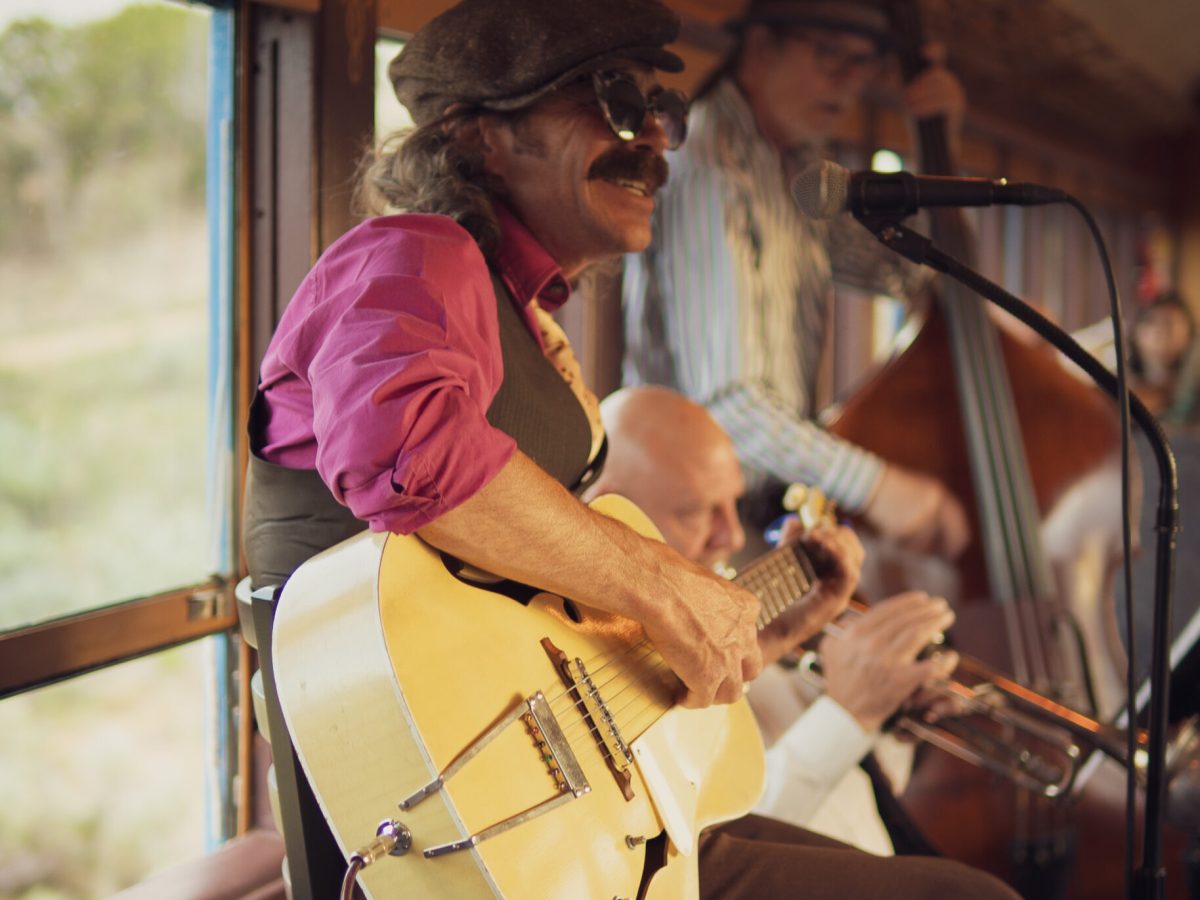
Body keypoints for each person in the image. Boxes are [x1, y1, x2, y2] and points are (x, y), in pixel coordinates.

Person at [243, 1, 1017, 896]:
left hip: (577, 811)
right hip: (448, 826)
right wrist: (664, 586)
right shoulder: (413, 254)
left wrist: (763, 616)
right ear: (480, 136)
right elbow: (401, 453)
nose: (655, 138)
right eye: (611, 101)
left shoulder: (528, 324)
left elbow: (541, 623)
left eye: (663, 110)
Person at [623, 0, 971, 562]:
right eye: (830, 55)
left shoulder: (798, 164)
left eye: (863, 65)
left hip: (748, 510)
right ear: (761, 47)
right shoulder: (716, 163)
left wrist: (939, 143)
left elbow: (902, 272)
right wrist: (878, 487)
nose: (848, 82)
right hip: (683, 523)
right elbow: (729, 403)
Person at [587, 385, 958, 856]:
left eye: (734, 504)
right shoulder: (614, 676)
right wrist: (848, 713)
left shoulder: (744, 621)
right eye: (697, 511)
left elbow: (847, 806)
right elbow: (725, 846)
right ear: (612, 510)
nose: (734, 535)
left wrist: (890, 720)